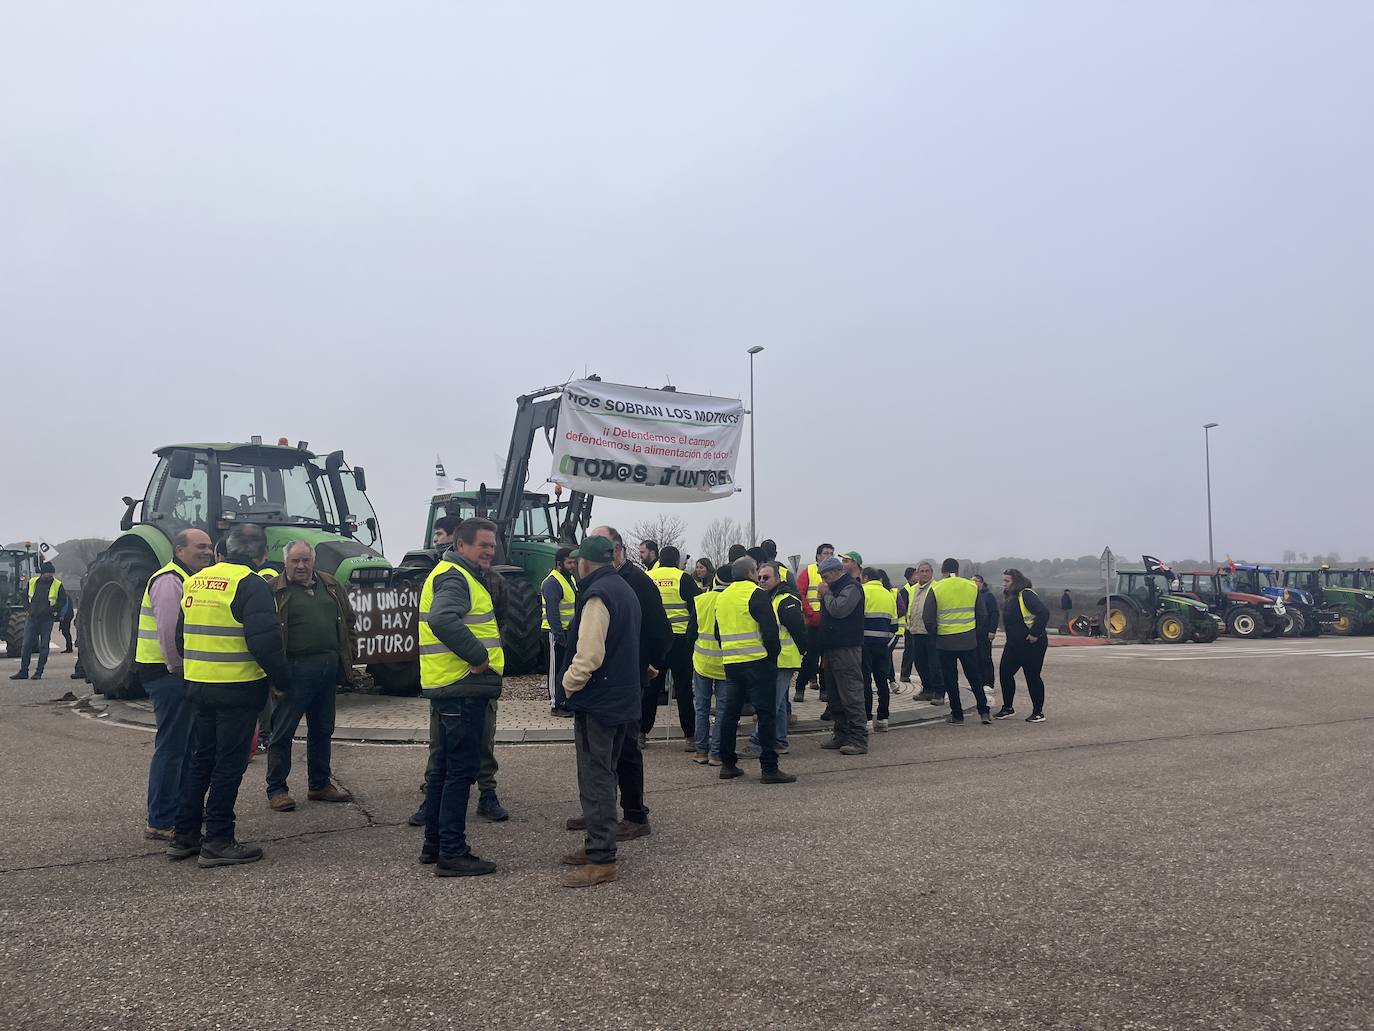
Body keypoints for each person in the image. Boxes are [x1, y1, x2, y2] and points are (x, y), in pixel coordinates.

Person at [167, 524, 288, 868]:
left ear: (223, 550)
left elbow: (181, 636)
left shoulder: (195, 580)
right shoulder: (251, 585)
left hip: (198, 686)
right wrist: (282, 680)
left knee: (200, 760)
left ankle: (184, 834)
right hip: (236, 689)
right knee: (228, 765)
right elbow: (265, 642)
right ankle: (219, 838)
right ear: (262, 555)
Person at [564, 525, 667, 841]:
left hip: (617, 683)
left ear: (617, 550)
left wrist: (651, 665)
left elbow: (662, 629)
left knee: (618, 756)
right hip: (615, 681)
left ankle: (633, 814)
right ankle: (600, 814)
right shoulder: (615, 585)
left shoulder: (635, 584)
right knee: (606, 761)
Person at [416, 517, 504, 878]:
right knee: (460, 771)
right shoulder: (455, 576)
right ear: (462, 545)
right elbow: (442, 620)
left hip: (450, 686)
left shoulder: (453, 573)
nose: (489, 550)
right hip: (461, 686)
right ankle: (452, 851)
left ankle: (434, 845)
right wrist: (479, 657)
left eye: (492, 544)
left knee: (442, 770)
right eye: (483, 545)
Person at [554, 535, 642, 887]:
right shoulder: (623, 588)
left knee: (596, 778)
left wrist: (567, 685)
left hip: (599, 700)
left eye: (577, 563)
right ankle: (596, 843)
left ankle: (601, 857)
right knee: (607, 773)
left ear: (585, 563)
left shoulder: (597, 595)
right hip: (622, 698)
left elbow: (589, 656)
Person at [264, 540, 358, 812]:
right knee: (282, 732)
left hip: (328, 669)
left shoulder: (330, 585)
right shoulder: (274, 591)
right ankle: (277, 790)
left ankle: (319, 784)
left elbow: (348, 621)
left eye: (305, 560)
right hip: (293, 671)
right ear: (285, 563)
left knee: (322, 729)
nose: (301, 566)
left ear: (314, 561)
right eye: (295, 561)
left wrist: (350, 652)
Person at [136, 528, 215, 841]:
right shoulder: (170, 581)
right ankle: (161, 819)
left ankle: (182, 809)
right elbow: (170, 633)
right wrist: (181, 670)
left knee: (186, 746)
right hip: (169, 674)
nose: (207, 552)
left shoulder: (189, 579)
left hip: (176, 673)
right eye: (200, 546)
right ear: (179, 550)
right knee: (172, 748)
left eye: (210, 547)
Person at [714, 556, 794, 783]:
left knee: (730, 715)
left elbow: (719, 633)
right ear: (751, 572)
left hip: (732, 665)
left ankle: (727, 765)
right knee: (766, 715)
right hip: (758, 664)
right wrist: (772, 657)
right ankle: (769, 769)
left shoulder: (723, 597)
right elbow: (770, 631)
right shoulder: (756, 594)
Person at [746, 561, 807, 756]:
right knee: (779, 703)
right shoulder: (771, 598)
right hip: (777, 659)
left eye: (766, 577)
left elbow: (799, 630)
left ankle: (757, 743)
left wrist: (803, 652)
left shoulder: (785, 600)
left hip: (784, 659)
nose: (762, 581)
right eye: (760, 577)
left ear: (778, 579)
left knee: (770, 703)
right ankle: (780, 741)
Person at [923, 558, 992, 725]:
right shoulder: (971, 586)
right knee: (974, 676)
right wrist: (974, 633)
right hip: (968, 640)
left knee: (950, 679)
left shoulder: (936, 588)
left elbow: (928, 617)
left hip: (945, 642)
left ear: (943, 571)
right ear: (958, 569)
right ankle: (984, 711)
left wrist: (936, 634)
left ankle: (957, 715)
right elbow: (982, 615)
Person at [647, 545, 700, 745]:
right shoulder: (683, 578)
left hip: (656, 640)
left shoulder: (649, 577)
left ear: (660, 558)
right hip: (679, 639)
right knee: (684, 688)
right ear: (677, 560)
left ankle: (641, 734)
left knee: (651, 687)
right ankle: (690, 736)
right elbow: (697, 607)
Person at [817, 555, 868, 754]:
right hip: (831, 647)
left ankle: (858, 738)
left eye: (825, 575)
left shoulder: (851, 587)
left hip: (847, 648)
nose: (823, 579)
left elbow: (839, 610)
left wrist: (827, 593)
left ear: (837, 572)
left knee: (851, 693)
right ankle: (841, 735)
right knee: (835, 695)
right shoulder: (834, 587)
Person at [996, 569, 1051, 722]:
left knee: (1032, 677)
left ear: (1016, 581)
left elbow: (1043, 613)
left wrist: (1034, 633)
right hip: (1013, 644)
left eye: (1007, 581)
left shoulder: (1026, 594)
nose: (1004, 584)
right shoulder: (1009, 596)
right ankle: (1008, 707)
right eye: (1003, 581)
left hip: (1032, 644)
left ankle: (1038, 712)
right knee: (1005, 673)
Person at [690, 570, 727, 765]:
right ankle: (716, 753)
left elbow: (691, 632)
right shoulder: (732, 600)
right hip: (725, 664)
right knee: (722, 709)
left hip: (702, 661)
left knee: (701, 708)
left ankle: (701, 751)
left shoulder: (701, 600)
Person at [793, 543, 835, 701]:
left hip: (829, 623)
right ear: (818, 556)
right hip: (812, 624)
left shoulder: (836, 574)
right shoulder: (809, 571)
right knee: (810, 658)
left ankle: (824, 690)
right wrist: (809, 612)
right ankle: (800, 688)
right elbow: (800, 593)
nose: (829, 555)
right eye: (826, 553)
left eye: (831, 553)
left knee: (827, 659)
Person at [10, 561, 65, 681]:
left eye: (52, 573)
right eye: (48, 573)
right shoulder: (32, 582)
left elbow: (62, 601)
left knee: (44, 646)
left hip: (47, 619)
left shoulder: (57, 584)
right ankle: (23, 671)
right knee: (26, 645)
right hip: (32, 618)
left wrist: (51, 610)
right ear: (42, 573)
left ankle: (39, 672)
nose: (50, 575)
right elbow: (24, 596)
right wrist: (27, 608)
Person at [861, 567, 898, 732]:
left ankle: (867, 719)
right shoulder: (888, 594)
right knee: (882, 681)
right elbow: (894, 624)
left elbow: (858, 618)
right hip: (883, 644)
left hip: (864, 643)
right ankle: (883, 718)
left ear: (866, 577)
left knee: (865, 681)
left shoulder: (863, 591)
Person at [541, 547, 577, 714]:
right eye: (569, 562)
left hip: (567, 631)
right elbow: (552, 612)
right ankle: (556, 704)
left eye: (573, 562)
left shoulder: (570, 580)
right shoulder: (552, 582)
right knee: (555, 669)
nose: (572, 566)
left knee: (565, 668)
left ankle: (565, 701)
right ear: (559, 563)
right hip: (554, 632)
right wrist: (559, 635)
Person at [903, 562, 944, 703]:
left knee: (935, 663)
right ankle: (927, 689)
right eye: (922, 571)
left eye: (927, 571)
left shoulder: (937, 587)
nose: (924, 573)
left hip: (931, 632)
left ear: (932, 572)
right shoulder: (913, 589)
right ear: (917, 573)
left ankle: (939, 692)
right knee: (920, 663)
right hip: (915, 631)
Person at [972, 573, 1000, 696]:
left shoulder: (988, 596)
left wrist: (992, 630)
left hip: (985, 632)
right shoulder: (972, 595)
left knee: (985, 658)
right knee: (975, 658)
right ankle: (978, 682)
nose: (974, 583)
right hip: (973, 632)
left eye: (976, 581)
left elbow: (994, 613)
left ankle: (989, 683)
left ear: (982, 582)